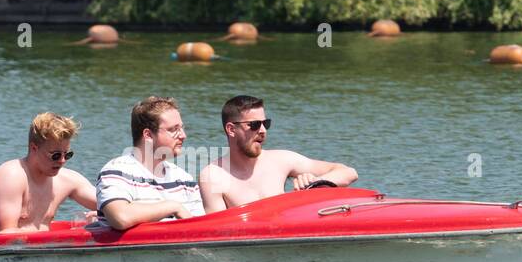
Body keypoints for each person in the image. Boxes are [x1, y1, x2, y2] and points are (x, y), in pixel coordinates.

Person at [198, 95, 357, 213]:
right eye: (254, 125)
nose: (263, 131)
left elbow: (348, 172)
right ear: (231, 129)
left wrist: (316, 182)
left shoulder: (282, 160)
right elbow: (217, 230)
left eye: (265, 123)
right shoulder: (212, 176)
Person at [96, 96, 205, 229]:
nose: (183, 135)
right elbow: (121, 218)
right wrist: (173, 207)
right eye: (173, 129)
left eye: (181, 128)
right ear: (148, 135)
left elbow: (199, 229)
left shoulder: (184, 179)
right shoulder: (117, 172)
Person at [0, 112, 97, 233]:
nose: (62, 161)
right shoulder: (11, 175)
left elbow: (113, 204)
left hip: (42, 249)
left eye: (67, 154)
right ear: (34, 148)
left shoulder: (69, 180)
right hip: (8, 251)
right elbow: (6, 234)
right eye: (55, 155)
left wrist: (105, 214)